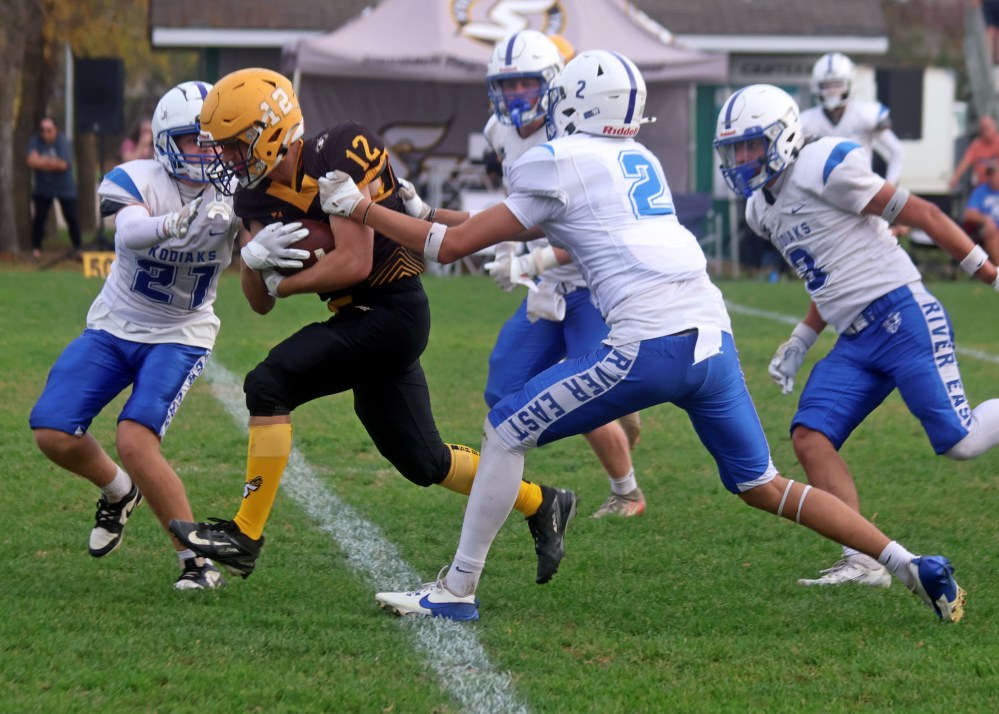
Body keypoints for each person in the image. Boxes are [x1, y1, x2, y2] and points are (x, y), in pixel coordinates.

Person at [319, 51, 965, 623]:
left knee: (504, 428)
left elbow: (451, 246)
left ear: (574, 102)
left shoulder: (556, 159)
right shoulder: (636, 158)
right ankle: (907, 561)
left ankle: (457, 590)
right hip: (711, 337)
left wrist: (362, 209)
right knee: (762, 484)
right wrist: (422, 212)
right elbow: (520, 224)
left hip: (649, 343)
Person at [167, 68, 576, 585]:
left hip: (393, 312)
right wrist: (249, 262)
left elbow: (354, 262)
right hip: (361, 320)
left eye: (233, 144)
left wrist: (283, 284)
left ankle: (245, 535)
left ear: (268, 131)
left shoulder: (339, 149)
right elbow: (258, 303)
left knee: (269, 383)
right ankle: (544, 502)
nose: (227, 158)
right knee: (424, 461)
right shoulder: (252, 198)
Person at [715, 83, 999, 590]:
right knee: (810, 437)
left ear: (783, 137)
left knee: (960, 442)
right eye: (735, 151)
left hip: (902, 316)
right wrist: (801, 339)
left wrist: (990, 274)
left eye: (751, 146)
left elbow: (926, 215)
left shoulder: (823, 166)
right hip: (855, 337)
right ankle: (864, 560)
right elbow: (825, 278)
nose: (742, 160)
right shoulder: (760, 209)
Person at [29, 81, 238, 590]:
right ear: (166, 141)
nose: (206, 152)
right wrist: (174, 223)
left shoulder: (240, 188)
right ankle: (119, 491)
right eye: (193, 140)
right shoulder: (136, 178)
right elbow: (128, 231)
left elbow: (260, 250)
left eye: (214, 141)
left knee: (135, 441)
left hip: (181, 331)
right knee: (52, 431)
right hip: (115, 325)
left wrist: (263, 250)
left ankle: (196, 562)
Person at [481, 30, 645, 517]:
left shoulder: (573, 134)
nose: (516, 96)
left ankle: (627, 493)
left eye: (526, 84)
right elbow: (519, 202)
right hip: (550, 287)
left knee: (582, 390)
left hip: (594, 284)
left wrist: (532, 260)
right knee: (502, 389)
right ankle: (507, 484)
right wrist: (513, 245)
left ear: (553, 83)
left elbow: (593, 227)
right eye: (507, 86)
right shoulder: (498, 131)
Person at [800, 53, 904, 185]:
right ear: (816, 87)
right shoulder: (806, 121)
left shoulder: (865, 114)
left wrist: (890, 184)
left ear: (850, 84)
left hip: (861, 188)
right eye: (827, 86)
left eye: (838, 84)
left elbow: (896, 151)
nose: (832, 91)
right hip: (821, 189)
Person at [26, 117, 83, 261]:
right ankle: (36, 251)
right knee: (39, 219)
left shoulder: (63, 142)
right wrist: (51, 162)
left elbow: (63, 165)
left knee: (71, 218)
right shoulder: (35, 140)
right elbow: (31, 161)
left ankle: (78, 249)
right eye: (42, 130)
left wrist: (41, 161)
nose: (45, 134)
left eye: (49, 130)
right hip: (43, 188)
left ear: (55, 130)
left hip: (65, 188)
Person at [961, 159, 999, 264]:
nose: (992, 177)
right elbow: (969, 214)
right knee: (992, 231)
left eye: (995, 174)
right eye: (989, 174)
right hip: (988, 230)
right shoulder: (980, 191)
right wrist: (986, 220)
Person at [949, 115, 999, 192]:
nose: (986, 132)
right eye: (983, 129)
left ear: (994, 127)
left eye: (988, 128)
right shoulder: (976, 145)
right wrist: (956, 177)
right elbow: (965, 162)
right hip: (982, 188)